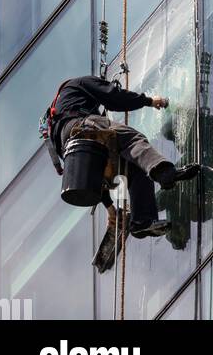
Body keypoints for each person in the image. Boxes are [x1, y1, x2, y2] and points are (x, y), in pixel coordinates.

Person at [50, 75, 200, 239]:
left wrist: (109, 206)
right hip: (80, 126)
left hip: (75, 150)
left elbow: (90, 170)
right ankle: (163, 171)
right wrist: (149, 101)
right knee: (132, 139)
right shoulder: (80, 83)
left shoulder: (60, 111)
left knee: (136, 168)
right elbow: (114, 97)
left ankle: (142, 221)